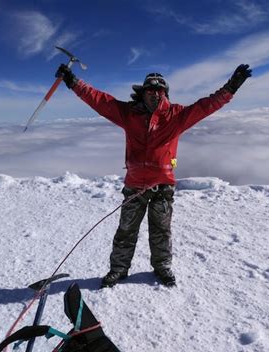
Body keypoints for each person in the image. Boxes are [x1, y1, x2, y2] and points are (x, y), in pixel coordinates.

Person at [56, 62, 252, 288]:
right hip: (134, 185)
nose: (155, 95)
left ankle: (162, 268)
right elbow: (99, 100)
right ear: (143, 92)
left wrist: (232, 86)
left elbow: (207, 105)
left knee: (161, 230)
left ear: (165, 94)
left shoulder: (176, 116)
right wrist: (72, 81)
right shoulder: (128, 113)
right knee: (126, 230)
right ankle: (119, 270)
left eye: (160, 91)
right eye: (150, 91)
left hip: (162, 186)